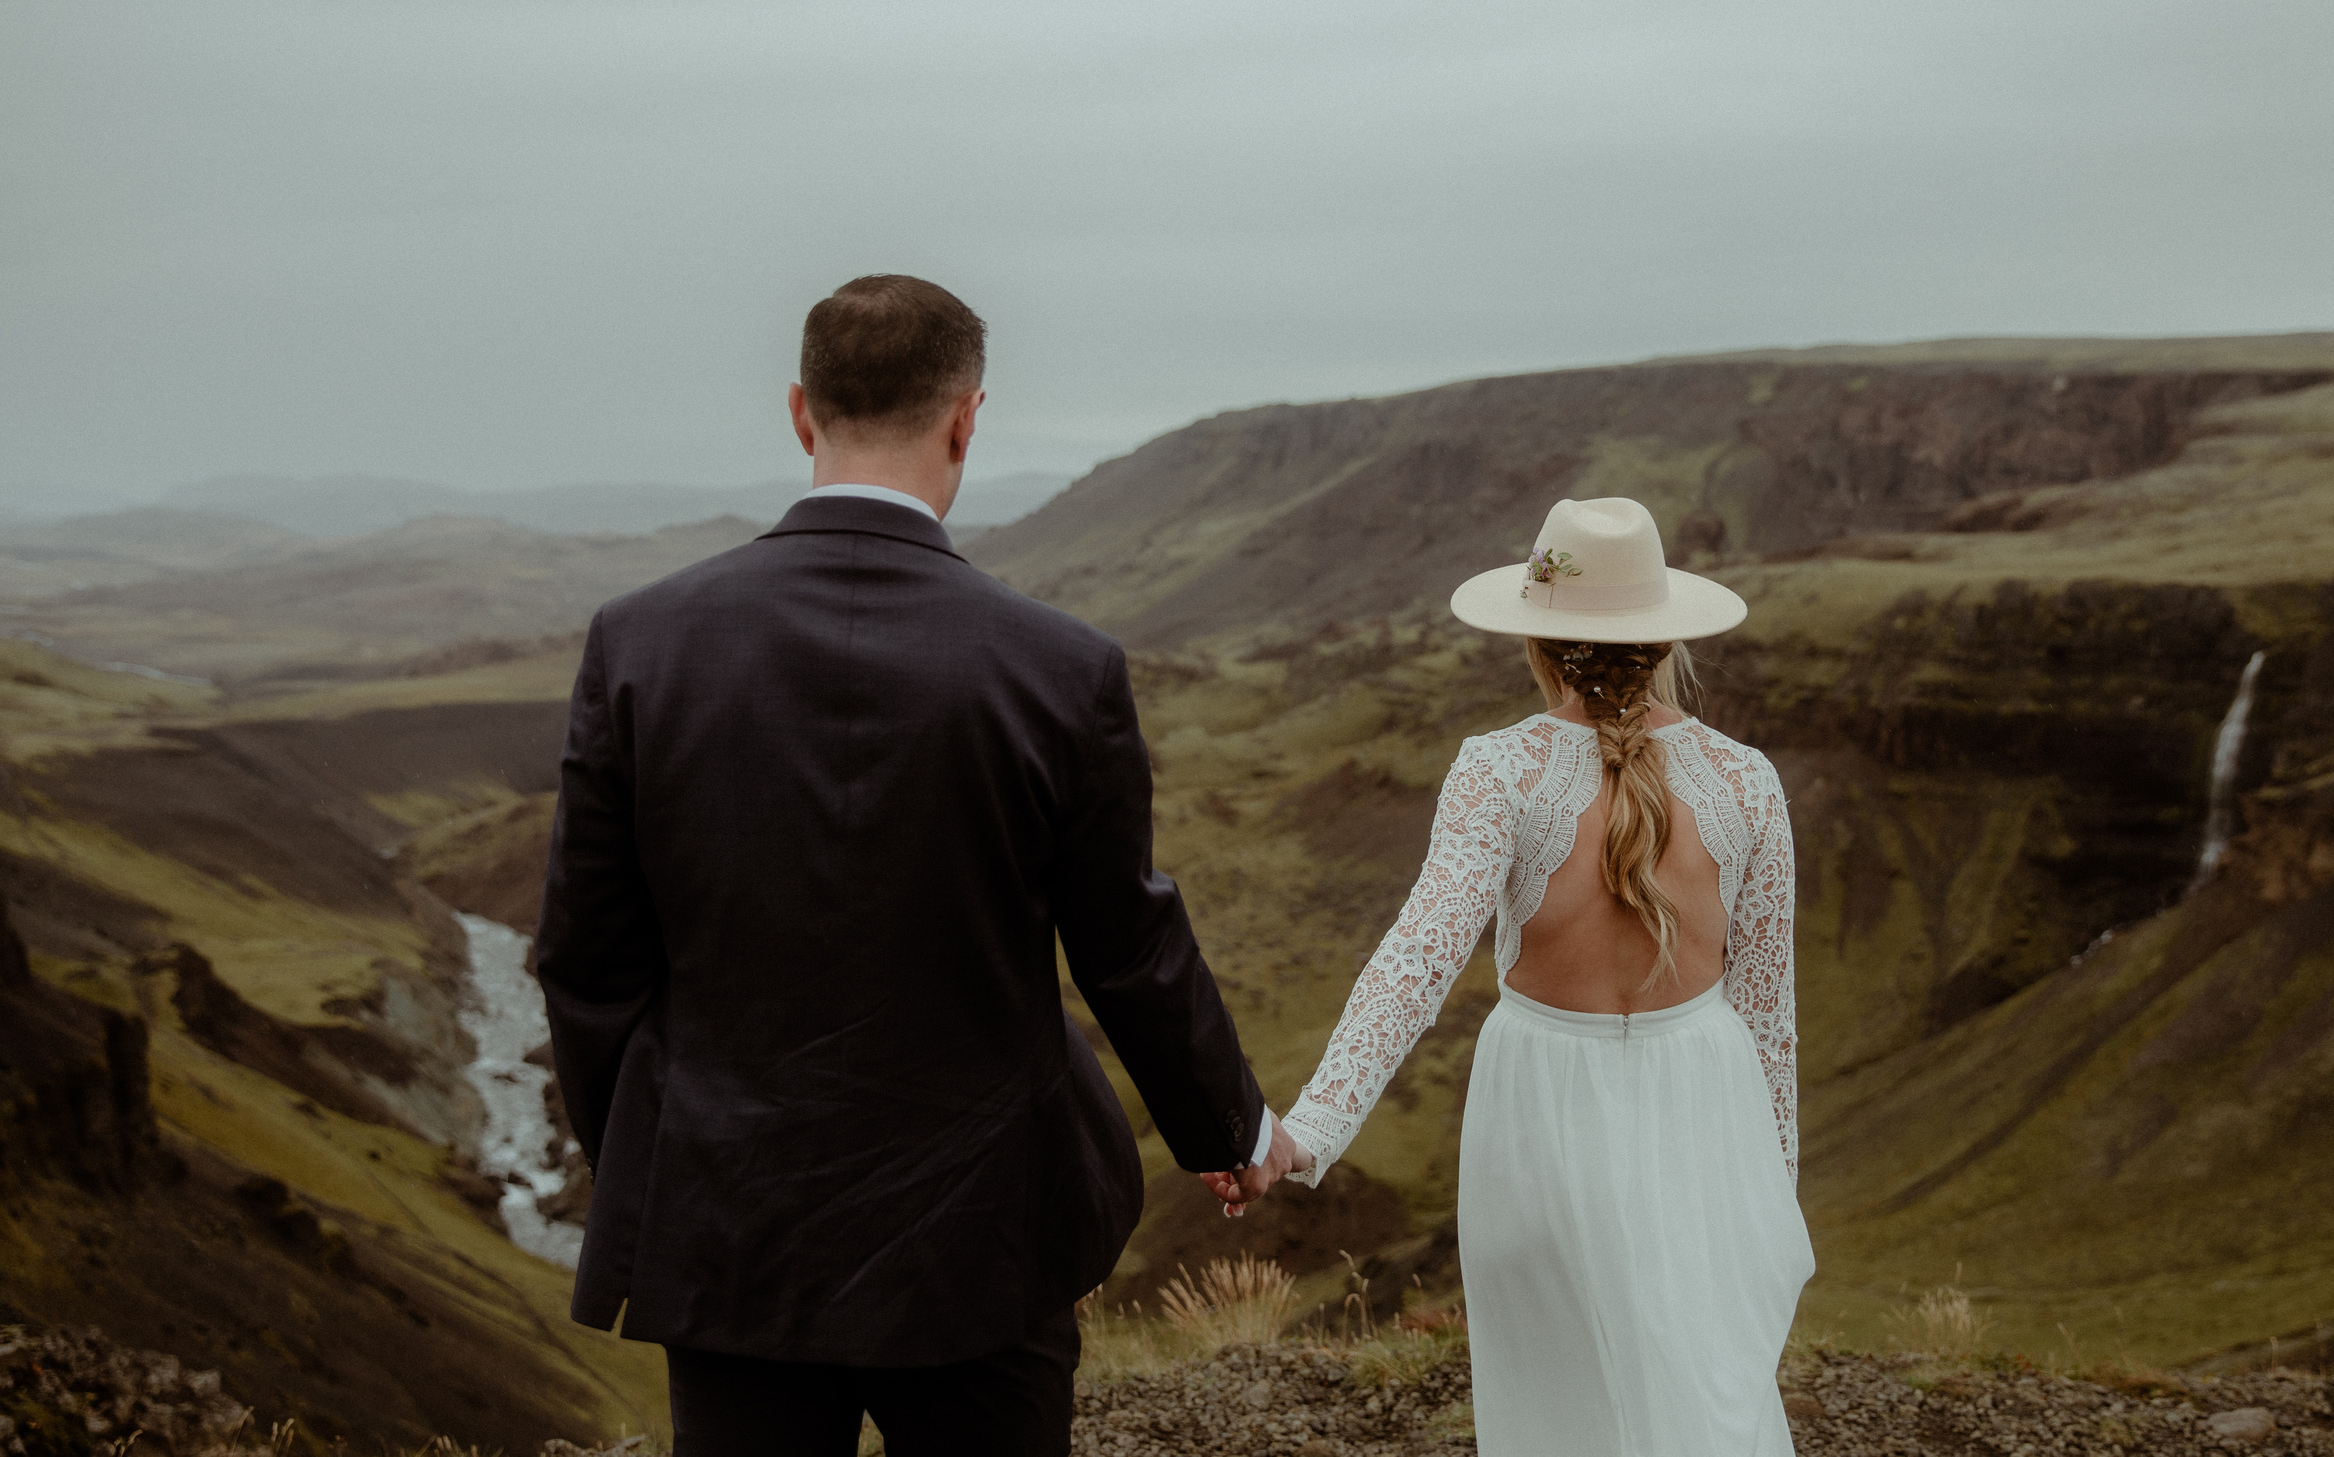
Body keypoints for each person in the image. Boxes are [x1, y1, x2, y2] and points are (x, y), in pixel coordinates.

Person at [537, 274, 1301, 1456]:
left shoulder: (639, 645)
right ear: (965, 419)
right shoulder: (1060, 667)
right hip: (983, 1241)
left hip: (734, 1231)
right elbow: (1126, 947)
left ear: (801, 412)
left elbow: (588, 962)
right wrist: (1231, 1133)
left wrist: (659, 1160)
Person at [1256, 496, 1814, 1457]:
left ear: (1540, 642)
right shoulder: (1748, 779)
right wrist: (1770, 1192)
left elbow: (1417, 958)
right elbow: (1768, 1012)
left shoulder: (1499, 771)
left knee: (1563, 1397)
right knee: (1701, 1382)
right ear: (1663, 635)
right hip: (1708, 1102)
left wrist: (1311, 1129)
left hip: (1546, 1105)